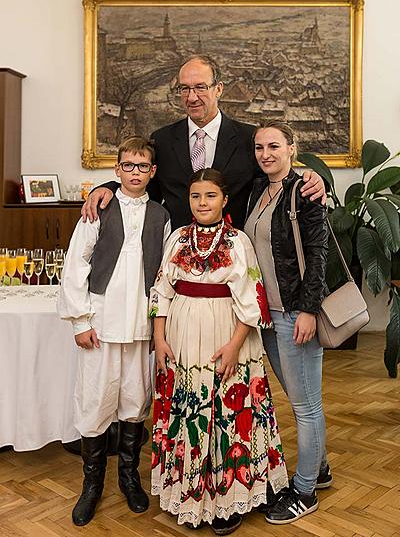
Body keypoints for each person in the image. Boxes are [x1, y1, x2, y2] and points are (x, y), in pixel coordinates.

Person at [150, 168, 288, 535]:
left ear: (224, 200)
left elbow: (252, 300)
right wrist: (160, 338)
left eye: (210, 196)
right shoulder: (178, 238)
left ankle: (228, 498)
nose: (202, 203)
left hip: (227, 334)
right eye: (196, 196)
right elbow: (162, 290)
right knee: (190, 409)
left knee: (226, 408)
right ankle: (188, 490)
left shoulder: (238, 241)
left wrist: (234, 345)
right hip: (181, 334)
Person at [58, 137, 171, 526]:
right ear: (117, 170)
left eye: (142, 167)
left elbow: (162, 275)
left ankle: (128, 477)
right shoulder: (99, 209)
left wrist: (159, 326)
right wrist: (80, 321)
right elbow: (76, 264)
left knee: (135, 402)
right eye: (128, 166)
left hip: (139, 328)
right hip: (101, 326)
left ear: (152, 173)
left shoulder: (161, 214)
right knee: (94, 403)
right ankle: (91, 486)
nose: (135, 172)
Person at [81, 55, 325, 230]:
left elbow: (276, 182)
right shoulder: (163, 139)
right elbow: (144, 189)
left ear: (218, 89)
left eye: (200, 87)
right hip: (178, 257)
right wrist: (109, 188)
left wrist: (313, 180)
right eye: (184, 89)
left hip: (235, 260)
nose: (192, 97)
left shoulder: (248, 138)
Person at [244, 119, 330, 525]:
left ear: (292, 149)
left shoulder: (304, 191)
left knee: (305, 405)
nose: (266, 154)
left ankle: (306, 489)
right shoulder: (260, 192)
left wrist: (309, 310)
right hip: (268, 316)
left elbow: (318, 253)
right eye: (260, 147)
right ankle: (322, 468)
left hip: (295, 313)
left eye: (274, 146)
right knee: (300, 398)